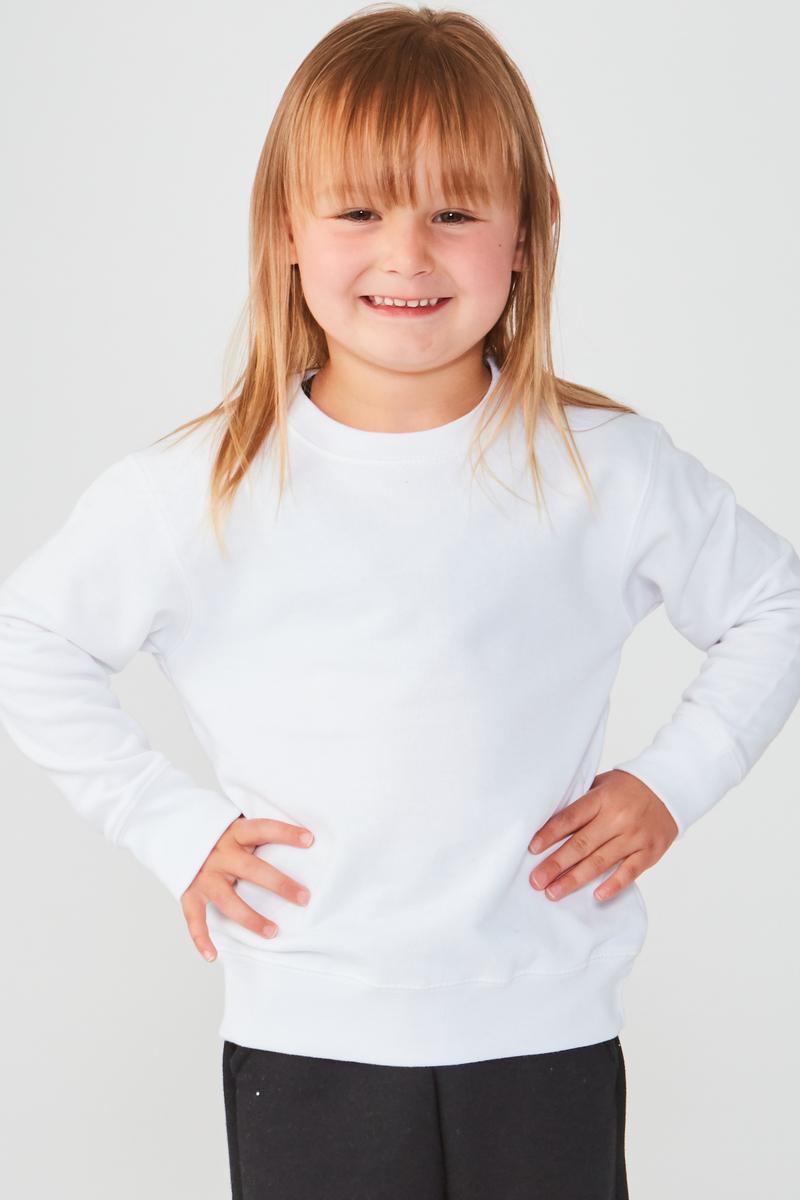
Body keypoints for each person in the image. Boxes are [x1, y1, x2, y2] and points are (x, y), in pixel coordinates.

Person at [1, 5, 799, 1198]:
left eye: (455, 212)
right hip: (308, 1035)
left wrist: (671, 782)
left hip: (542, 1032)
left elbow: (771, 602)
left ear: (527, 231)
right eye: (360, 212)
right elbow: (33, 640)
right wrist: (172, 829)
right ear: (286, 227)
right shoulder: (199, 487)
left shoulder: (603, 467)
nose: (407, 254)